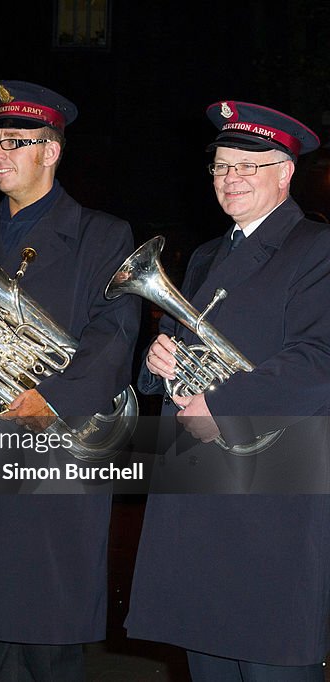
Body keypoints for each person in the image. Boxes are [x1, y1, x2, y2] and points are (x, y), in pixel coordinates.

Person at [0, 81, 139, 680]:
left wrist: (52, 399)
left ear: (53, 151)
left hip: (52, 448)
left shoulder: (103, 235)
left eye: (18, 142)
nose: (0, 153)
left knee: (48, 640)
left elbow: (115, 337)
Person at [125, 102, 330, 680]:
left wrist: (220, 407)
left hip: (273, 491)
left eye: (248, 165)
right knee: (208, 660)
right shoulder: (209, 255)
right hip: (199, 490)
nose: (230, 177)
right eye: (220, 166)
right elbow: (181, 343)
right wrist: (159, 361)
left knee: (270, 661)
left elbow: (319, 358)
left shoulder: (316, 248)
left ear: (285, 172)